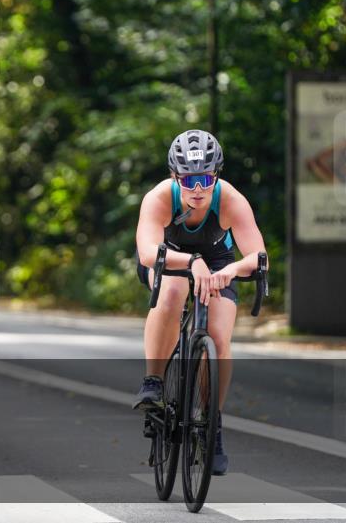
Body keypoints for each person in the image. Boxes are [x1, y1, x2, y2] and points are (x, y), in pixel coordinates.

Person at [133, 129, 267, 476]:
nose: (197, 189)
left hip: (219, 262)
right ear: (175, 176)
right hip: (170, 260)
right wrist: (191, 262)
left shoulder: (231, 200)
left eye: (205, 179)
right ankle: (154, 382)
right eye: (188, 180)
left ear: (216, 175)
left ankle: (212, 425)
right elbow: (148, 252)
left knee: (219, 338)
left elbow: (258, 255)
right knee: (174, 292)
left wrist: (233, 270)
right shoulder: (160, 198)